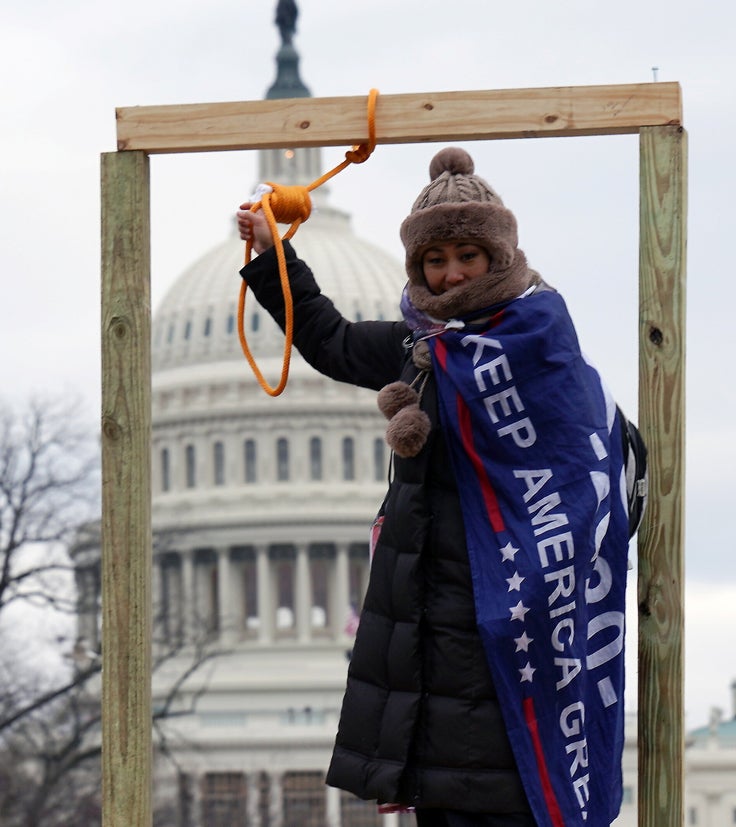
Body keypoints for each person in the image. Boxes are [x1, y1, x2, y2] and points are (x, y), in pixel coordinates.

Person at [236, 147, 646, 827]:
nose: (450, 272)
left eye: (467, 254)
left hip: (515, 622)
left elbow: (591, 480)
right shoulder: (418, 348)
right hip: (435, 631)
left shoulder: (547, 351)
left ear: (500, 257)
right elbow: (329, 338)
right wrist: (271, 258)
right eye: (435, 259)